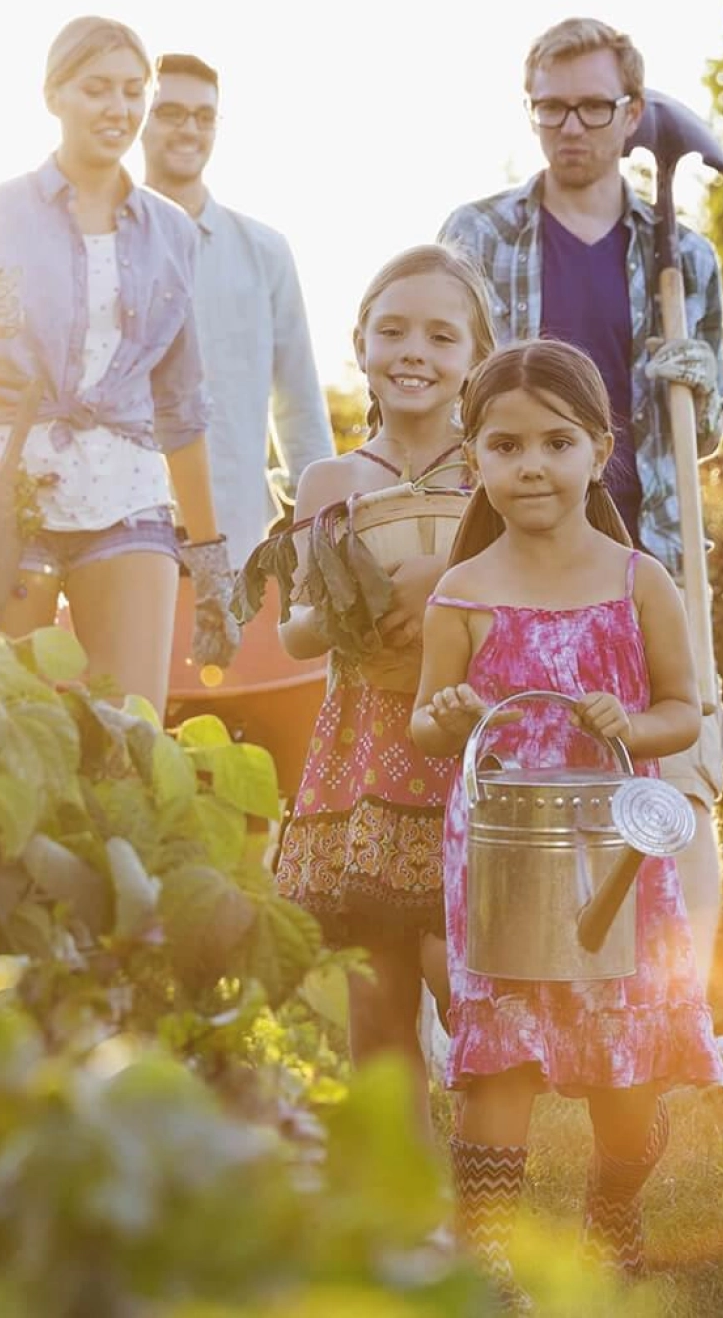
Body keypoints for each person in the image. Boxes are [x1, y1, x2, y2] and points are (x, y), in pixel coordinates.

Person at [438, 16, 723, 1090]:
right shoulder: (479, 236)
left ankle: (681, 1022)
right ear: (531, 109)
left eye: (594, 106)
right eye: (551, 106)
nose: (572, 126)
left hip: (645, 549)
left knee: (677, 778)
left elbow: (700, 431)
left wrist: (697, 382)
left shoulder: (683, 256)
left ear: (633, 116)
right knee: (501, 776)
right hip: (512, 548)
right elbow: (455, 394)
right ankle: (498, 1023)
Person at [412, 342, 723, 1300]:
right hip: (503, 855)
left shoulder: (639, 582)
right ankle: (488, 1251)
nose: (532, 466)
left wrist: (630, 724)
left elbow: (684, 711)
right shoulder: (463, 592)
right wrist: (452, 716)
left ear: (599, 449)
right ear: (474, 457)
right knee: (500, 1056)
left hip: (617, 857)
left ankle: (613, 1208)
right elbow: (426, 723)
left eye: (556, 442)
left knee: (626, 1071)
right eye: (505, 447)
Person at [0, 16, 238, 705]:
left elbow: (181, 408)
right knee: (4, 720)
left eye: (132, 91)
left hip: (128, 494)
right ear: (53, 95)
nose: (118, 109)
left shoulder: (173, 233)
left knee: (133, 730)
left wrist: (211, 565)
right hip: (6, 495)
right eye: (96, 89)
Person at [273, 245, 493, 1133]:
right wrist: (346, 605)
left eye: (441, 336)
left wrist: (444, 575)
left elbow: (530, 594)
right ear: (360, 345)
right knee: (377, 986)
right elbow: (294, 630)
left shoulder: (493, 475)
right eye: (393, 331)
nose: (414, 352)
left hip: (467, 744)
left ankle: (487, 1154)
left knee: (458, 967)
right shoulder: (331, 482)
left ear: (476, 357)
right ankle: (403, 1182)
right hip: (365, 749)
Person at [140, 52, 336, 560]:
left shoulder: (266, 251)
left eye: (204, 116)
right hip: (119, 527)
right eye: (171, 112)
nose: (189, 129)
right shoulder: (102, 242)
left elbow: (299, 405)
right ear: (139, 116)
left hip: (236, 534)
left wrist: (326, 534)